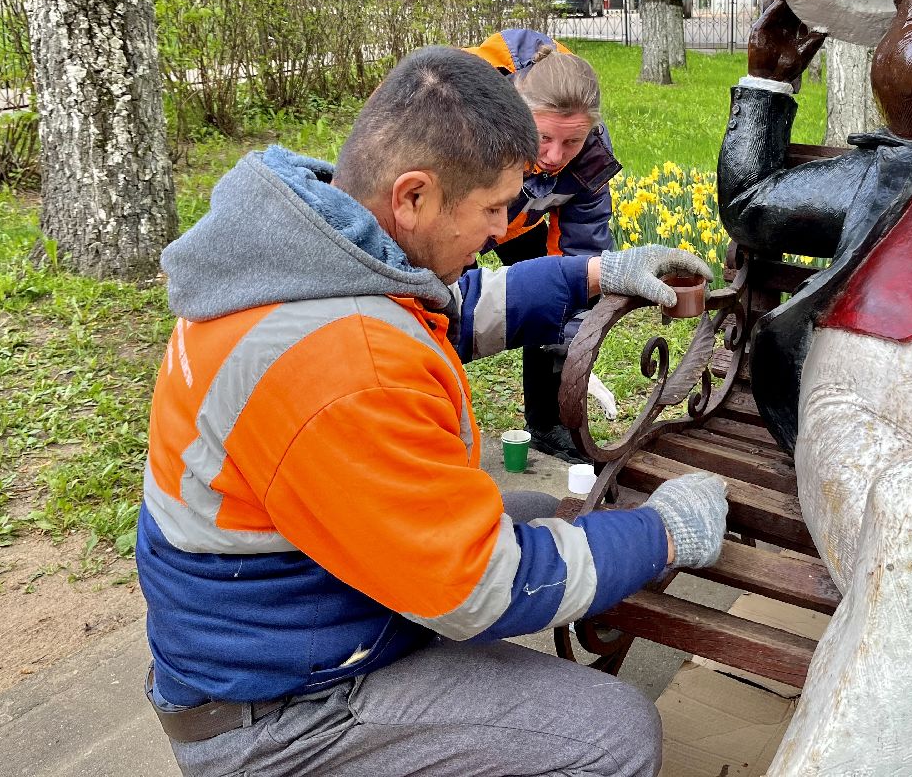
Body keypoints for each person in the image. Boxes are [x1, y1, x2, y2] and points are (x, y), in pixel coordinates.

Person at [138, 46, 728, 777]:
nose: (499, 228)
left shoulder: (299, 251)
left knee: (539, 507)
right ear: (413, 196)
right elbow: (485, 587)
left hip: (272, 622)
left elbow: (453, 310)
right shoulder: (347, 365)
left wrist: (595, 272)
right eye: (489, 210)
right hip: (283, 712)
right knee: (613, 731)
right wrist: (664, 535)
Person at [465, 28, 619, 464]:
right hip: (452, 209)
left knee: (547, 301)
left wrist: (572, 344)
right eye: (543, 138)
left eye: (571, 140)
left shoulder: (589, 157)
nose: (554, 156)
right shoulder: (469, 120)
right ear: (516, 114)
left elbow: (579, 259)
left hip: (523, 216)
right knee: (436, 303)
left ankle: (547, 423)